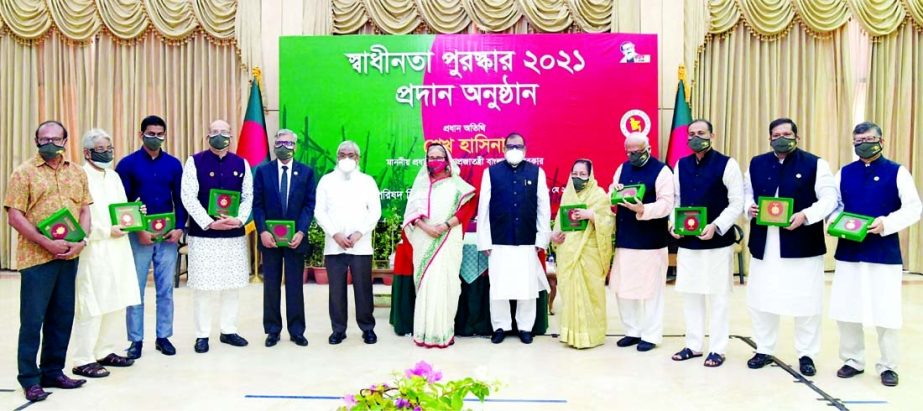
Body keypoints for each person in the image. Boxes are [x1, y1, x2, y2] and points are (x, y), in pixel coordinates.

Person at [829, 122, 921, 387]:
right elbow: (834, 206)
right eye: (858, 140)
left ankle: (888, 365)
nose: (863, 144)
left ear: (882, 141)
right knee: (846, 309)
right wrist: (835, 222)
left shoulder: (897, 171)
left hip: (883, 251)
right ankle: (852, 360)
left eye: (869, 139)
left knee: (886, 310)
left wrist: (886, 224)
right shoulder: (844, 172)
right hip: (849, 251)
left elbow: (914, 208)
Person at [5, 121, 91, 402]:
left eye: (56, 138)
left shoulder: (77, 172)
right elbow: (14, 216)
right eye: (44, 139)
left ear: (66, 140)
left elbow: (84, 210)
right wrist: (45, 242)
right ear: (35, 140)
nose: (50, 143)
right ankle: (29, 379)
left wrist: (81, 240)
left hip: (69, 255)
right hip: (37, 257)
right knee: (32, 320)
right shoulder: (23, 173)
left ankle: (53, 371)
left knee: (62, 316)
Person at [744, 118, 837, 377]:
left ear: (797, 136)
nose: (781, 137)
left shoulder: (816, 163)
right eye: (776, 134)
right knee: (762, 299)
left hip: (802, 244)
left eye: (786, 133)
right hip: (765, 244)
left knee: (805, 301)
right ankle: (763, 348)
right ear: (769, 137)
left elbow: (830, 199)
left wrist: (805, 216)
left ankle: (806, 354)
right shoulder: (756, 163)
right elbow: (747, 194)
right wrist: (748, 207)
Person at [669, 119, 743, 367]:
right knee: (691, 294)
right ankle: (693, 344)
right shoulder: (681, 165)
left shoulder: (727, 164)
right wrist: (672, 224)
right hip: (688, 242)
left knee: (718, 296)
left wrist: (717, 226)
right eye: (691, 134)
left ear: (713, 135)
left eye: (701, 133)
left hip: (718, 242)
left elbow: (736, 203)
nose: (695, 137)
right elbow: (676, 200)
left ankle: (718, 348)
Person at [70, 129, 141, 379]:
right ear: (87, 152)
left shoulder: (113, 176)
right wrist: (104, 230)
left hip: (119, 247)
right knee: (92, 304)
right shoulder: (78, 176)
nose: (108, 152)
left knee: (116, 299)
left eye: (109, 147)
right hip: (94, 248)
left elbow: (120, 208)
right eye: (101, 149)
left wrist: (134, 214)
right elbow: (78, 215)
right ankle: (83, 358)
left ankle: (104, 351)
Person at [180, 119, 253, 353]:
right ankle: (202, 335)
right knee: (203, 287)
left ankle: (228, 330)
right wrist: (209, 222)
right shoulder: (194, 162)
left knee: (231, 285)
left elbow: (248, 196)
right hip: (204, 236)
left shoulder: (241, 163)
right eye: (215, 132)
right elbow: (188, 196)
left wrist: (239, 220)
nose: (219, 136)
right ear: (207, 136)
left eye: (224, 132)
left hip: (233, 234)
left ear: (231, 137)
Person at [116, 115, 185, 359]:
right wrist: (138, 230)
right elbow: (122, 204)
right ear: (141, 134)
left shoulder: (174, 165)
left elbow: (180, 199)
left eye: (159, 134)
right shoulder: (127, 165)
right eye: (151, 133)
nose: (155, 138)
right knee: (135, 289)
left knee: (165, 288)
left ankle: (163, 336)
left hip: (167, 236)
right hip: (140, 237)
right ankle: (135, 340)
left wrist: (179, 228)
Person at [476, 132, 551, 344]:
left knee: (526, 287)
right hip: (499, 239)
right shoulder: (491, 172)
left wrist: (541, 238)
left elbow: (543, 208)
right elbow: (484, 208)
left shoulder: (537, 172)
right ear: (503, 148)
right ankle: (500, 326)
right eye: (510, 146)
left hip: (527, 239)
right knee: (499, 286)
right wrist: (485, 240)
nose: (514, 149)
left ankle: (525, 327)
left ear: (526, 149)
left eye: (518, 146)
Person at [402, 143, 476, 348]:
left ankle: (443, 332)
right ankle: (423, 332)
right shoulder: (421, 186)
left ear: (447, 160)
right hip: (424, 238)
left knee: (446, 284)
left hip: (448, 238)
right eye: (430, 157)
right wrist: (427, 228)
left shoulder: (458, 185)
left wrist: (443, 226)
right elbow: (411, 215)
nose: (434, 160)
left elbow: (465, 211)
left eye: (439, 156)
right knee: (427, 284)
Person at [609, 132, 675, 352]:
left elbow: (667, 204)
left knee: (651, 290)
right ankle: (632, 330)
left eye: (635, 152)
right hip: (626, 238)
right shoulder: (622, 167)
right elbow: (612, 192)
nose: (631, 155)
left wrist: (643, 209)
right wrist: (614, 191)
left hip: (651, 241)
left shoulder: (662, 171)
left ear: (647, 148)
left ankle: (651, 335)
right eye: (628, 151)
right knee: (624, 288)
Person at [252, 129, 316, 347]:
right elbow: (257, 204)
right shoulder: (262, 171)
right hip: (269, 240)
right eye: (279, 142)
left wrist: (301, 231)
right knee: (270, 285)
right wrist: (262, 230)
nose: (283, 146)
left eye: (288, 143)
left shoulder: (306, 172)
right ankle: (272, 330)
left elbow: (309, 205)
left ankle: (297, 330)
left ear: (295, 147)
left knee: (295, 285)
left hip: (295, 239)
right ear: (274, 144)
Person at [314, 140, 382, 345]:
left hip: (360, 246)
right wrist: (335, 234)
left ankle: (367, 328)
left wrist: (360, 233)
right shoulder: (326, 181)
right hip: (334, 245)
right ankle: (338, 330)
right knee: (336, 291)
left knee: (363, 290)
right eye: (342, 154)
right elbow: (320, 211)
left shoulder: (367, 181)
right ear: (337, 157)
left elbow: (375, 211)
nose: (346, 158)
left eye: (351, 155)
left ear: (358, 158)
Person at [550, 159, 614, 349]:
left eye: (582, 174)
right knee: (569, 294)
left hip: (589, 254)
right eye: (574, 174)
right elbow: (560, 223)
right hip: (568, 252)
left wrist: (591, 216)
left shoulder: (599, 195)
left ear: (590, 175)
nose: (578, 177)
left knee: (592, 294)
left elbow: (609, 222)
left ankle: (592, 335)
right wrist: (556, 236)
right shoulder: (567, 195)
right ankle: (571, 334)